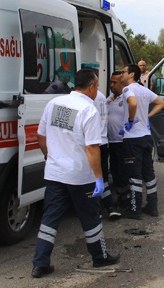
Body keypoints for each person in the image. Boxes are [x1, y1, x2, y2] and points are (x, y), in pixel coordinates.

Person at [32, 69, 119, 278]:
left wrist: (49, 158)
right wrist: (99, 178)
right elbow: (92, 148)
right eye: (97, 86)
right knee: (90, 217)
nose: (97, 90)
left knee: (50, 218)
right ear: (90, 87)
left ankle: (40, 263)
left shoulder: (53, 104)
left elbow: (41, 137)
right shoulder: (89, 111)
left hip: (55, 173)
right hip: (80, 176)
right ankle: (99, 257)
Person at [119, 64, 164, 219]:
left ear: (131, 74)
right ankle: (152, 206)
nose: (121, 75)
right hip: (146, 136)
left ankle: (135, 208)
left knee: (134, 174)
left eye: (123, 72)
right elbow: (161, 103)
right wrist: (147, 117)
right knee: (149, 173)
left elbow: (132, 103)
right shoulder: (144, 90)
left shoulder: (127, 89)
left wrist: (131, 119)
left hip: (132, 139)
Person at [90, 70, 121, 219]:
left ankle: (98, 209)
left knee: (94, 177)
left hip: (93, 143)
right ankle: (110, 206)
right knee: (101, 176)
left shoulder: (91, 98)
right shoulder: (103, 97)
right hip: (103, 141)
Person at [106, 71, 129, 211]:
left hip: (123, 141)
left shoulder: (127, 99)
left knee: (123, 172)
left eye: (115, 82)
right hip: (111, 141)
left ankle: (127, 201)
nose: (111, 85)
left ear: (122, 84)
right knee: (114, 171)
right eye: (111, 82)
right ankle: (120, 197)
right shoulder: (108, 99)